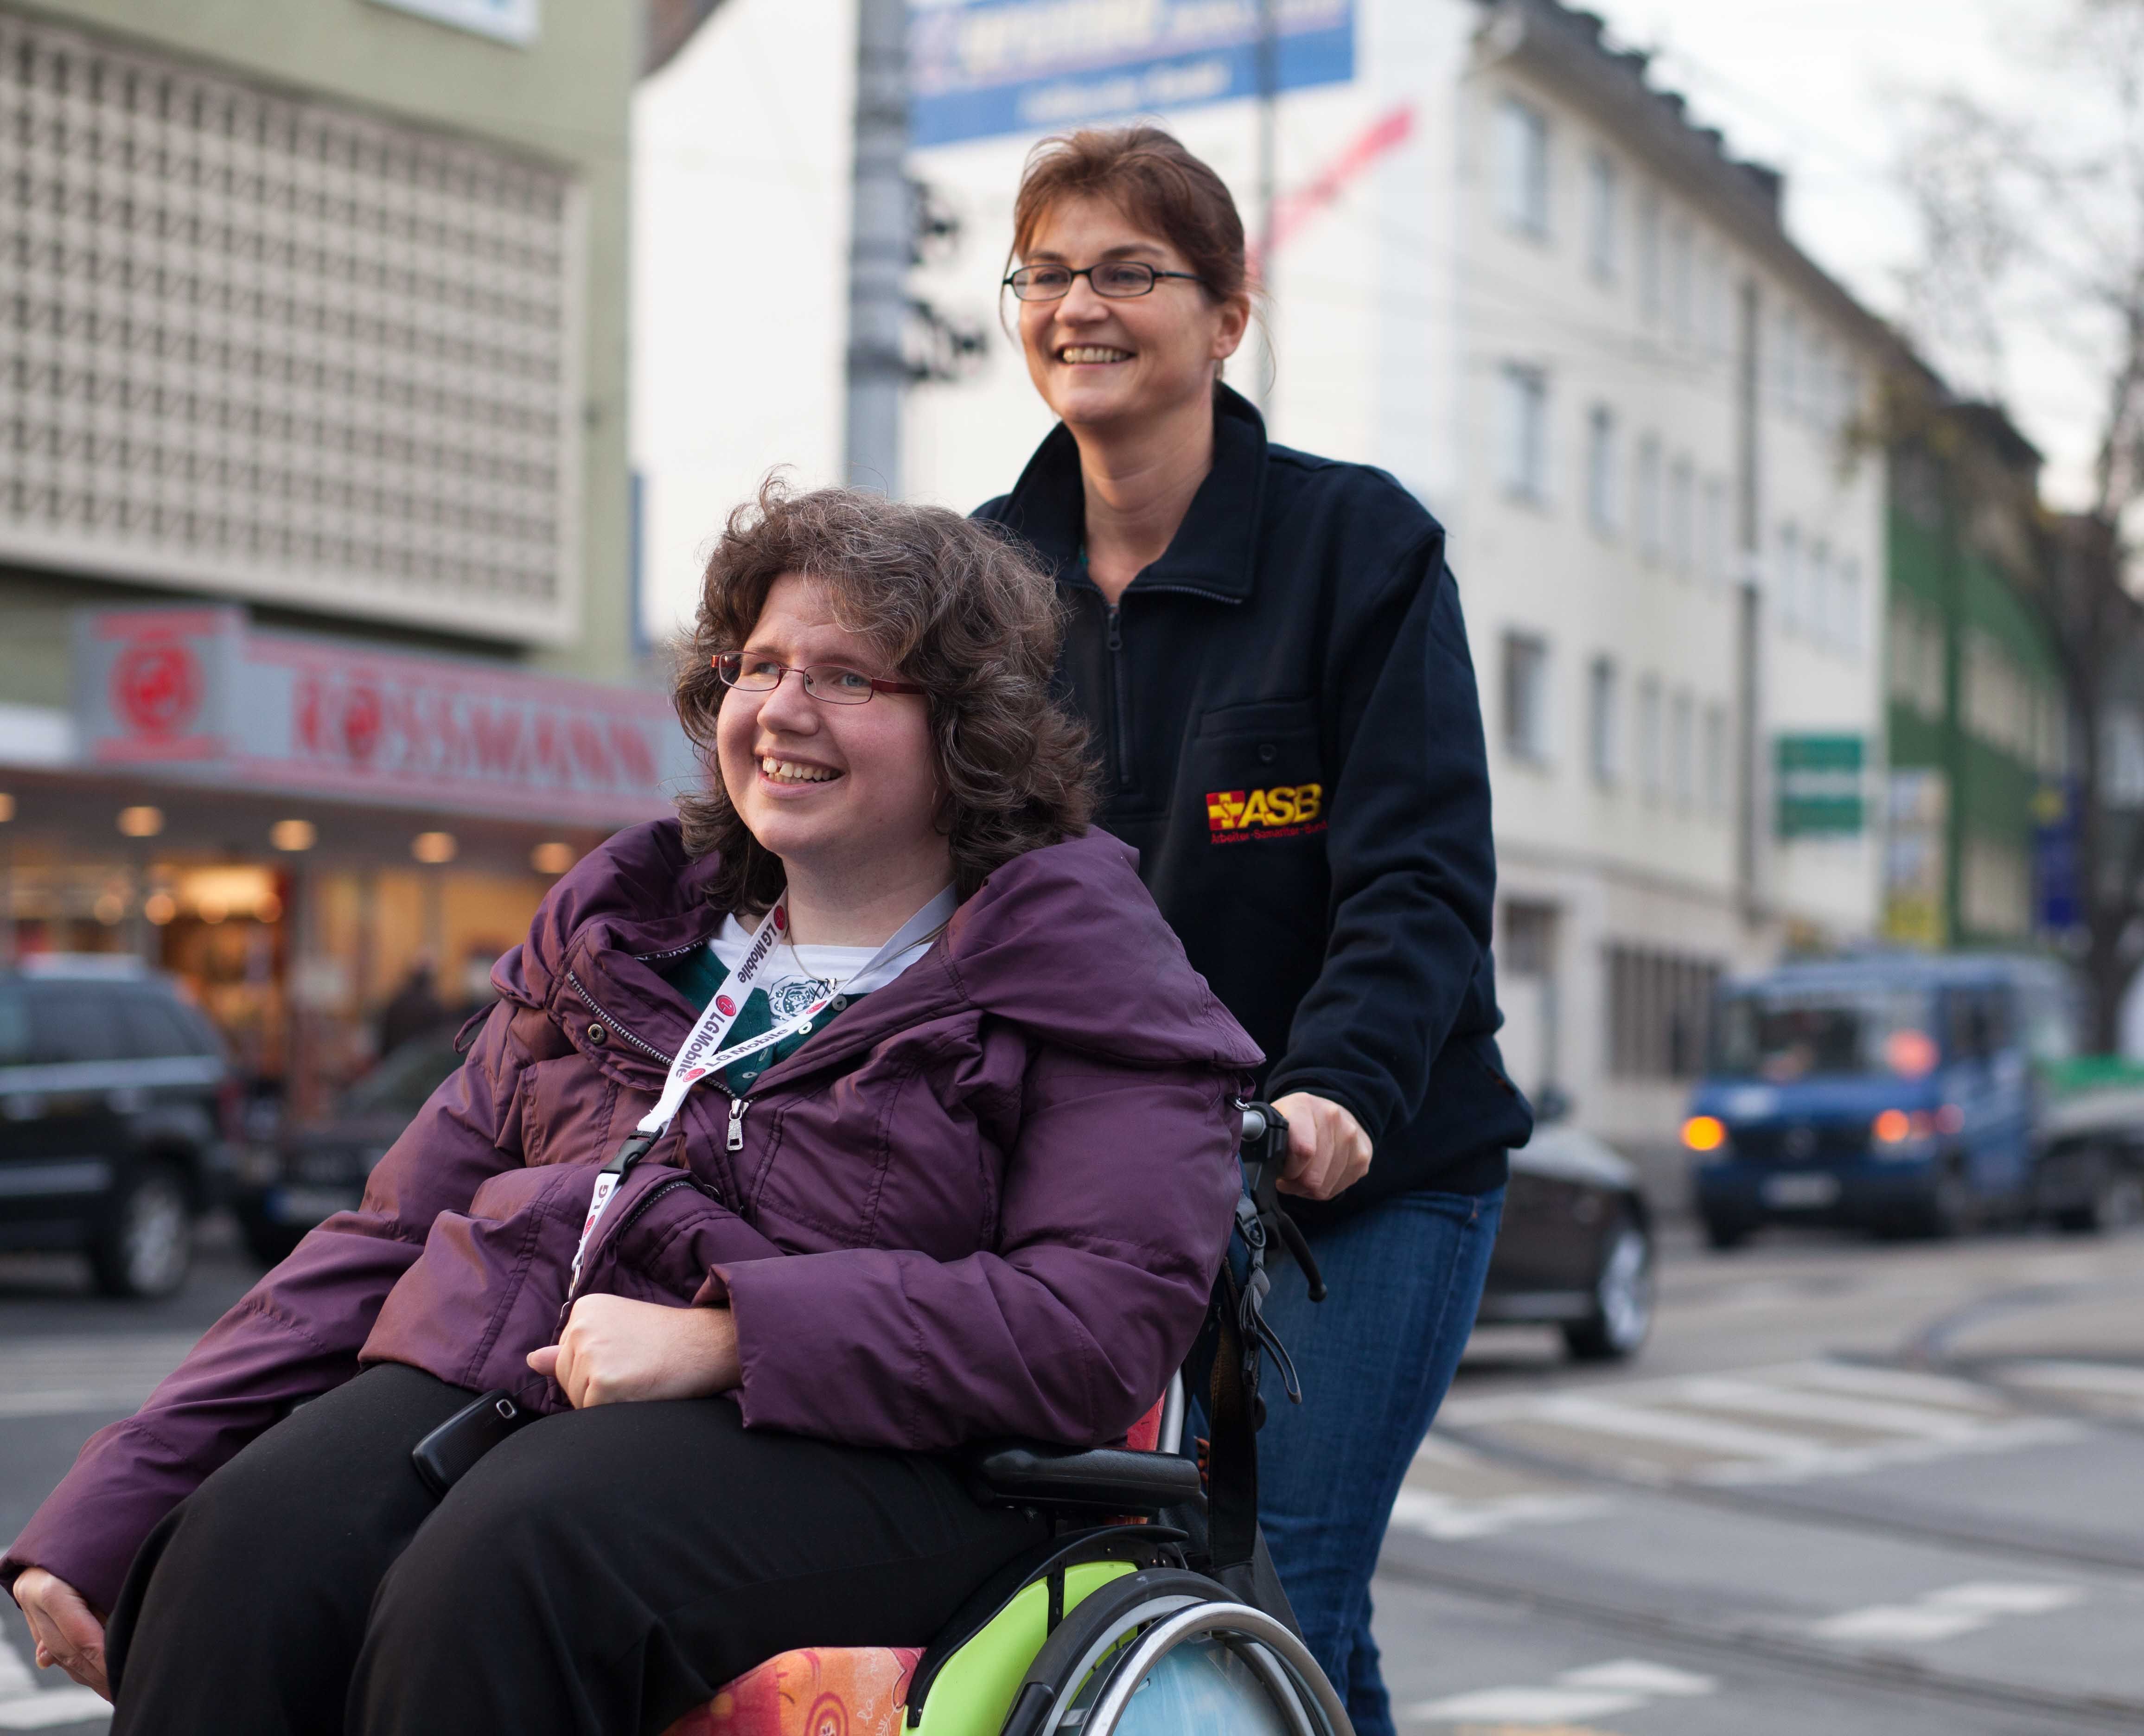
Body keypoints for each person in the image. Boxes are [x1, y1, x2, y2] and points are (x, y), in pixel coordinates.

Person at [4, 487, 1258, 1735]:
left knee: (508, 1571)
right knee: (243, 1549)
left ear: (966, 728)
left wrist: (735, 1341)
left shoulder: (1084, 970)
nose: (780, 712)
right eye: (758, 666)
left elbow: (1098, 1328)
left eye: (847, 678)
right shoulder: (633, 935)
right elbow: (385, 1241)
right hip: (549, 1380)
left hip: (917, 1454)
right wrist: (118, 1497)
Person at [976, 126, 1531, 1736]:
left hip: (1360, 1178)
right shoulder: (975, 587)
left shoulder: (1359, 548)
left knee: (1279, 1568)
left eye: (1130, 271)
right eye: (1050, 273)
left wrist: (1339, 1094)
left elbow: (1421, 882)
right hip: (1097, 1189)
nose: (1081, 305)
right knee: (1153, 1594)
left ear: (1227, 317)